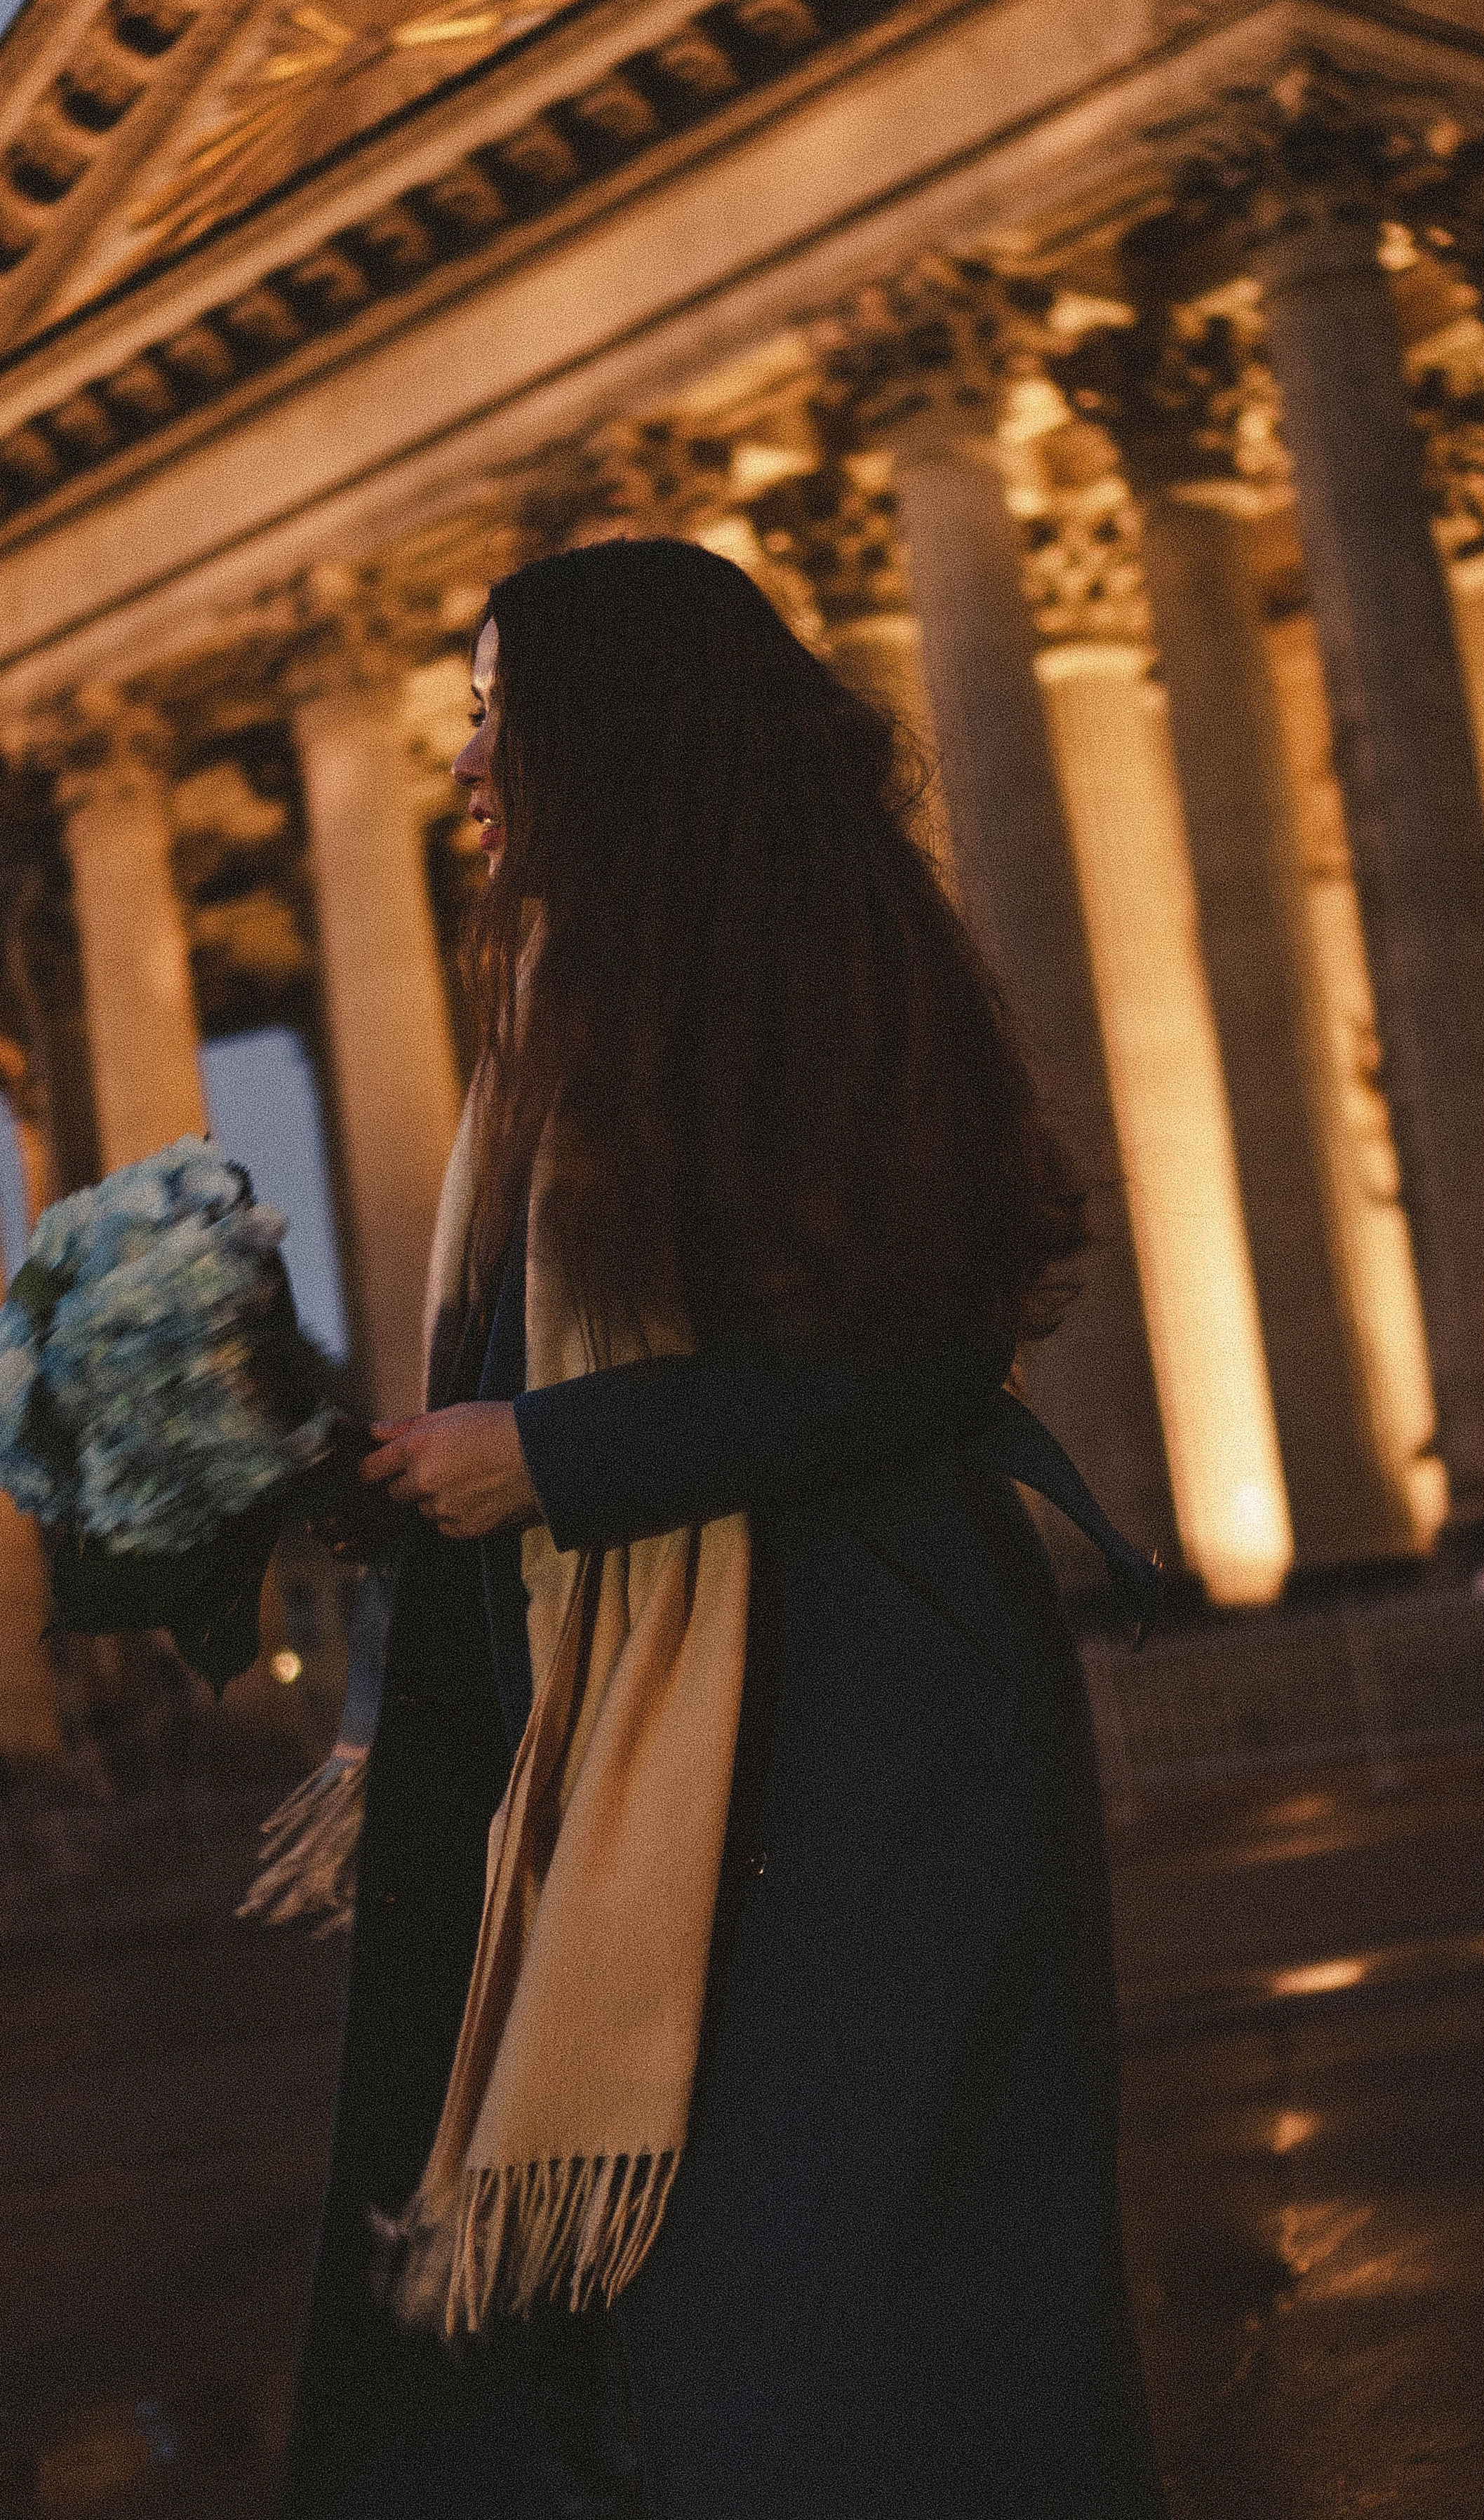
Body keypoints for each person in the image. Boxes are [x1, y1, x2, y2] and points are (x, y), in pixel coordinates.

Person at [279, 537, 1168, 2520]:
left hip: (858, 1761)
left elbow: (923, 1332)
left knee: (873, 2358)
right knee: (724, 2376)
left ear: (626, 733)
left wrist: (558, 1458)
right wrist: (392, 1474)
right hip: (657, 1772)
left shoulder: (799, 953)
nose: (471, 768)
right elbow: (537, 1394)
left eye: (503, 718)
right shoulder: (557, 1011)